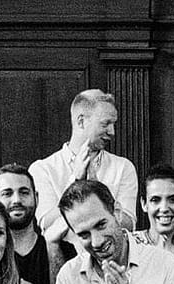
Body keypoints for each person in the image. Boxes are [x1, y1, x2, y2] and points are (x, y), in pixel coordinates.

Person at [30, 90, 138, 256]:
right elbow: (47, 225)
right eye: (105, 124)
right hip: (62, 262)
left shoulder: (123, 167)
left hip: (112, 260)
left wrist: (96, 189)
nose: (112, 132)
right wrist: (75, 181)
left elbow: (128, 224)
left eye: (113, 124)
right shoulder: (42, 169)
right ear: (81, 121)